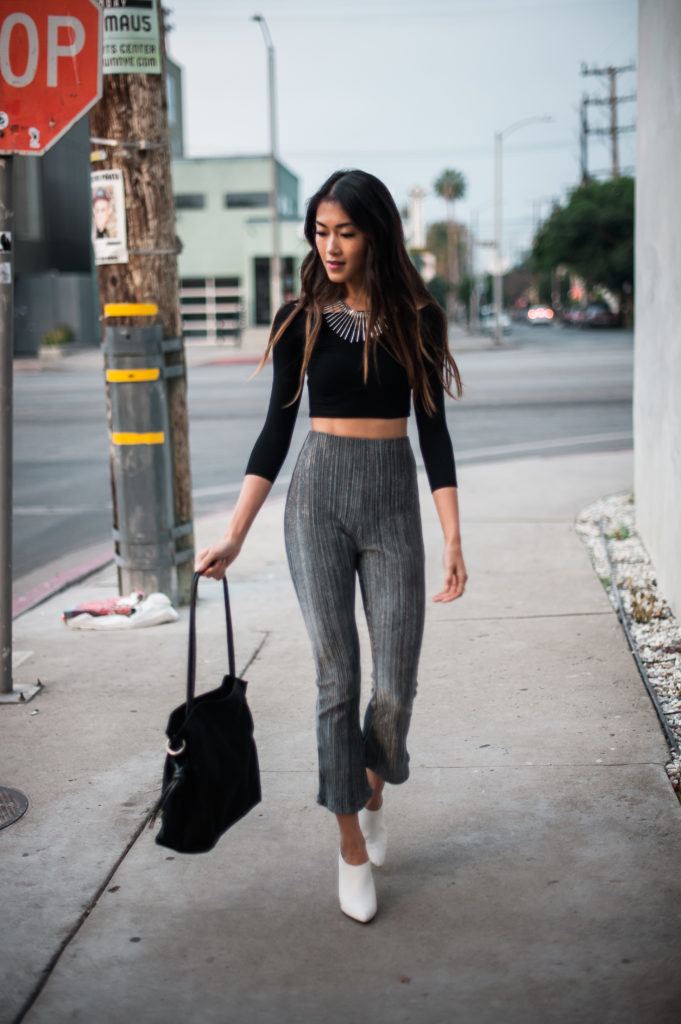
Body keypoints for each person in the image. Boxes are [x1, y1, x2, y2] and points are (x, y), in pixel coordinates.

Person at [196, 169, 467, 923]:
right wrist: (234, 534)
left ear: (375, 232)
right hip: (315, 501)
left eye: (344, 231)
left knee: (394, 687)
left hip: (389, 501)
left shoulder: (419, 317)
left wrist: (451, 535)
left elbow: (434, 435)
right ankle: (349, 843)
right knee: (335, 680)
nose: (331, 245)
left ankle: (371, 786)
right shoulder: (300, 317)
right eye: (320, 231)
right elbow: (275, 432)